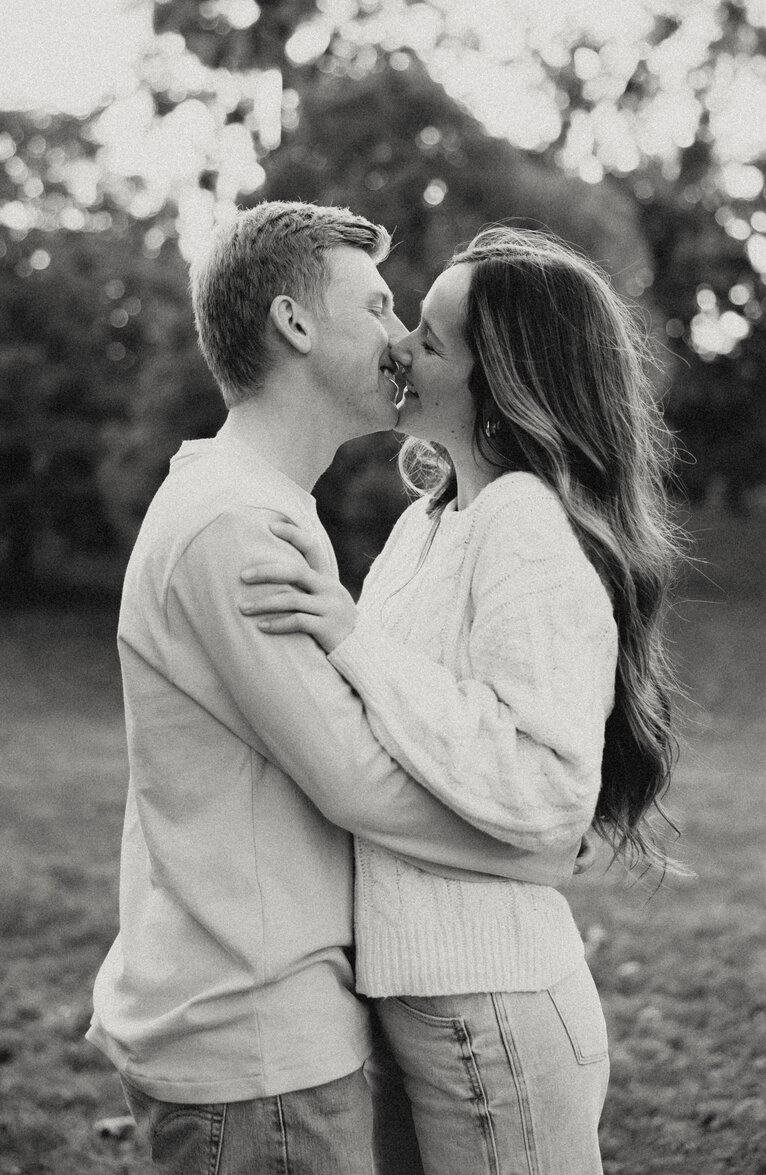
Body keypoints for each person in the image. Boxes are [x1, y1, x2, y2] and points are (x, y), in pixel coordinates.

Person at [87, 203, 592, 1175]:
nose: (403, 339)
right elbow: (354, 780)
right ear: (295, 324)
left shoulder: (263, 505)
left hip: (266, 1020)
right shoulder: (232, 523)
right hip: (254, 1037)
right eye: (378, 305)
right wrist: (525, 849)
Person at [239, 226, 684, 1175]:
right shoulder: (430, 522)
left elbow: (546, 781)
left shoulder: (525, 523)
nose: (398, 345)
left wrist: (350, 638)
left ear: (504, 384)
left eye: (432, 340)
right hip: (416, 1003)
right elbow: (381, 728)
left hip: (493, 1010)